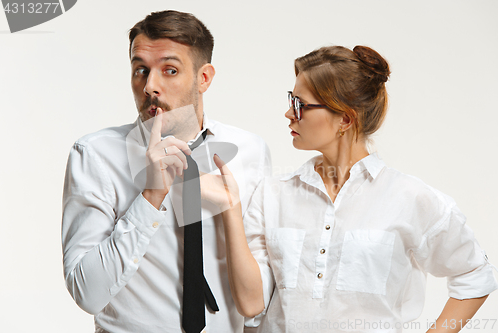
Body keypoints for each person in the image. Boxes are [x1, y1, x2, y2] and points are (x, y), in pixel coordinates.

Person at [202, 45, 498, 332]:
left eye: (300, 104)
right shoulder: (273, 194)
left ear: (344, 118)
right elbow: (251, 303)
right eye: (291, 99)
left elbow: (475, 274)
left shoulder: (410, 198)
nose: (288, 114)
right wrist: (231, 208)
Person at [61, 10, 271, 333]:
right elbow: (87, 292)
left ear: (204, 78)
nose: (150, 86)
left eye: (169, 70)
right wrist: (151, 196)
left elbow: (256, 308)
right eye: (139, 70)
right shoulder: (95, 156)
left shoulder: (249, 152)